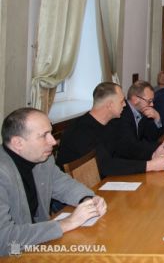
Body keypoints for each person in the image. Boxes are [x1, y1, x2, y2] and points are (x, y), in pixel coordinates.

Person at [0, 108, 107, 255]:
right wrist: (66, 223)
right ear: (18, 143)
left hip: (38, 243)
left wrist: (87, 199)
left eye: (50, 133)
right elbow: (4, 240)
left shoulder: (42, 158)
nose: (53, 141)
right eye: (44, 135)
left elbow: (63, 184)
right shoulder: (3, 172)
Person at [56, 82, 164, 177]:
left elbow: (125, 150)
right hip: (78, 191)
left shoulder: (111, 123)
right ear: (110, 105)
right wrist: (149, 165)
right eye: (122, 101)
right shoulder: (81, 130)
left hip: (103, 181)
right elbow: (105, 165)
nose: (125, 105)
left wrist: (152, 156)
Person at [110, 81, 164, 156]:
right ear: (135, 100)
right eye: (149, 101)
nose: (152, 104)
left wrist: (157, 118)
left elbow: (152, 138)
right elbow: (133, 146)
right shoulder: (122, 114)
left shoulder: (142, 111)